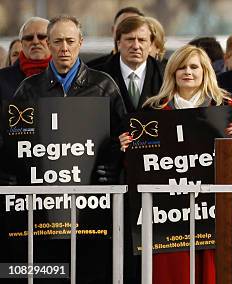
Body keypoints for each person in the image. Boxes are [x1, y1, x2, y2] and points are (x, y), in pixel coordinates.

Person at [11, 15, 127, 284]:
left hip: (91, 205)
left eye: (70, 41)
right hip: (44, 206)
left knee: (90, 272)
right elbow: (14, 142)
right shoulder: (29, 89)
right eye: (58, 41)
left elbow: (122, 136)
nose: (64, 48)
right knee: (47, 272)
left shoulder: (104, 86)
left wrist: (110, 167)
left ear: (81, 43)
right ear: (49, 45)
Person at [119, 44, 232, 284]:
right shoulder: (153, 110)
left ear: (205, 71)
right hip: (168, 218)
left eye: (194, 67)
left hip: (213, 213)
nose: (187, 72)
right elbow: (137, 165)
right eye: (181, 67)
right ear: (173, 72)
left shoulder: (225, 107)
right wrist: (126, 147)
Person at [95, 15, 163, 113]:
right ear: (118, 44)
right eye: (130, 39)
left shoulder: (166, 75)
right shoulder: (98, 77)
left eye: (142, 40)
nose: (136, 46)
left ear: (151, 45)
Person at [0, 17, 52, 102]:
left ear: (53, 40)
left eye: (41, 36)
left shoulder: (69, 77)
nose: (35, 41)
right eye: (29, 38)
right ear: (22, 44)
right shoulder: (2, 80)